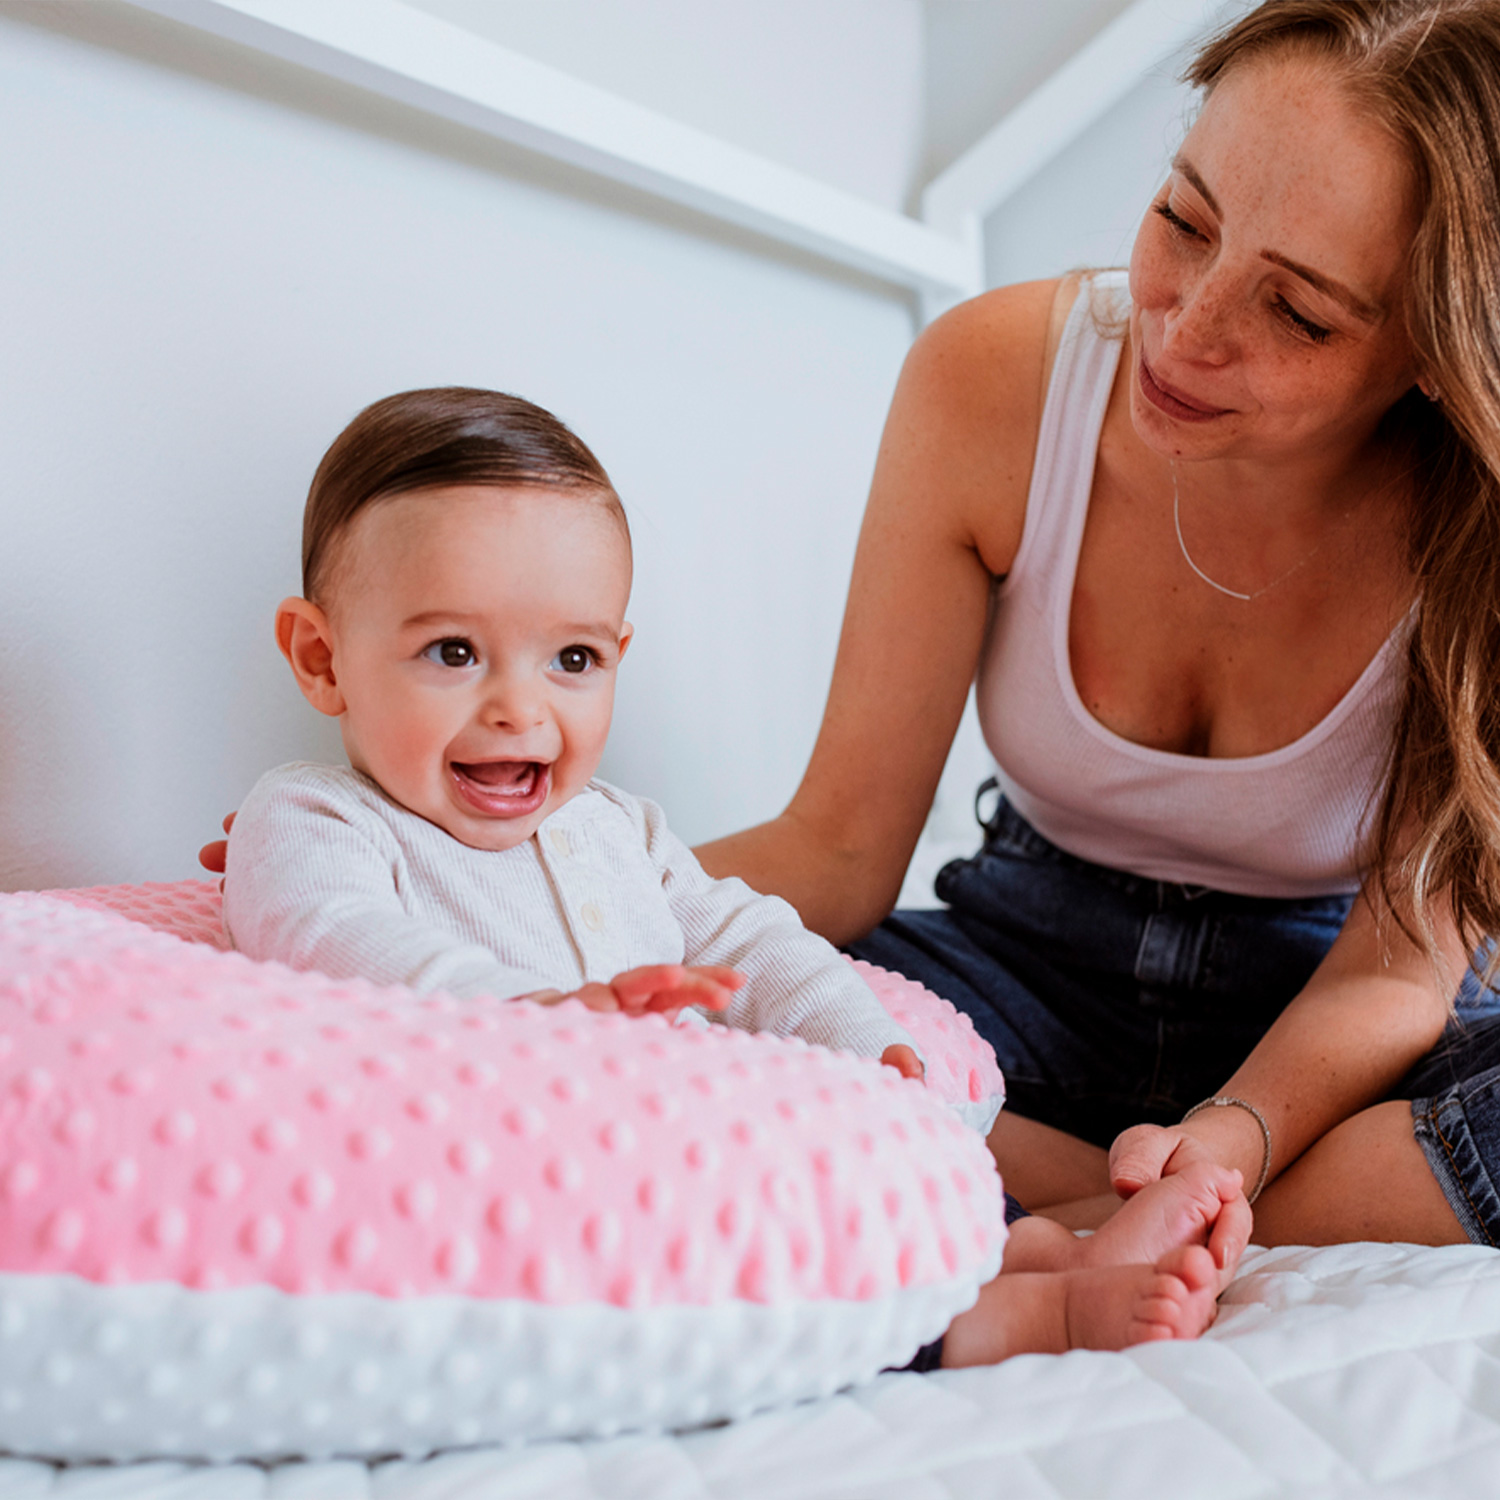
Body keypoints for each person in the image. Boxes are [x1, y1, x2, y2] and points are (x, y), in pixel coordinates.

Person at [684, 0, 1500, 1250]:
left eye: (1299, 314)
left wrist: (1229, 1141)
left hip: (1327, 1038)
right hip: (1025, 962)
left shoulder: (1479, 523)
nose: (1187, 325)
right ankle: (1144, 1208)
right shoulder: (993, 379)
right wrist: (501, 898)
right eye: (1184, 219)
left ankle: (1184, 1211)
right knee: (730, 1014)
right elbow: (838, 846)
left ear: (1434, 356)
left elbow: (1398, 968)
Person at [221, 385, 1250, 1366]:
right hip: (563, 1173)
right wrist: (533, 1015)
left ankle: (1039, 1251)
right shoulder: (315, 820)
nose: (519, 709)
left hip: (708, 1136)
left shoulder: (615, 829)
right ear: (321, 660)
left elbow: (744, 936)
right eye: (453, 652)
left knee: (875, 1177)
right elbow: (338, 937)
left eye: (572, 660)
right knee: (765, 1264)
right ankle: (1029, 1318)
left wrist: (859, 1042)